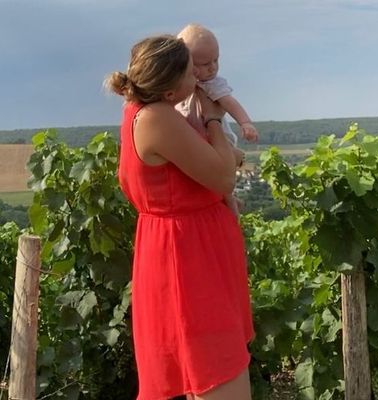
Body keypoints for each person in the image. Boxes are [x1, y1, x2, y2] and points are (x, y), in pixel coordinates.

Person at [105, 34, 254, 400]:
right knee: (215, 372)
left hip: (186, 252)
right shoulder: (158, 119)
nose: (198, 81)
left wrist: (224, 154)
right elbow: (222, 176)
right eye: (191, 74)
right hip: (189, 262)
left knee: (202, 373)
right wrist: (216, 120)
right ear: (170, 91)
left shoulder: (150, 112)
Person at [176, 23, 258, 216]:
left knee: (224, 180)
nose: (212, 68)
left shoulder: (212, 84)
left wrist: (245, 123)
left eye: (216, 60)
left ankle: (232, 211)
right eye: (204, 64)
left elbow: (230, 103)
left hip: (219, 140)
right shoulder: (181, 85)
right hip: (199, 138)